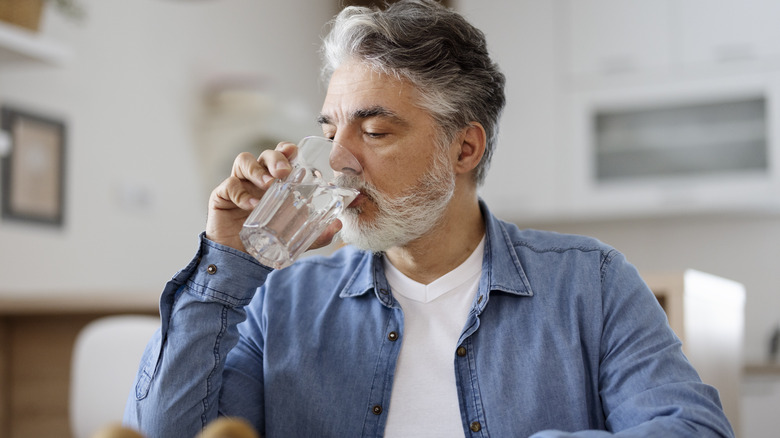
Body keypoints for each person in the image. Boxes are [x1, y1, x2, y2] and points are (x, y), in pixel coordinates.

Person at [124, 1, 735, 437]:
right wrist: (227, 259)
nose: (337, 161)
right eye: (329, 130)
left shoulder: (592, 284)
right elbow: (166, 432)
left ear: (464, 149)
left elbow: (691, 428)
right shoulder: (281, 300)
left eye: (375, 131)